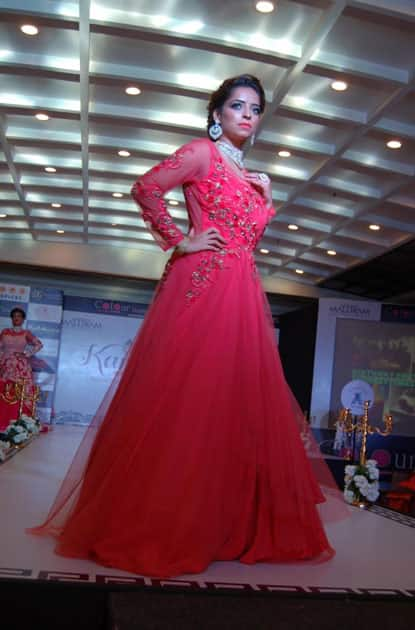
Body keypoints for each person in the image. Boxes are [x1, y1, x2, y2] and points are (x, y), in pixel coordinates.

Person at [29, 75, 345, 577]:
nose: (247, 114)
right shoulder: (202, 153)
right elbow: (146, 187)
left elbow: (249, 239)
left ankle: (219, 523)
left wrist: (265, 198)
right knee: (186, 398)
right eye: (237, 105)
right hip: (205, 282)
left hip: (241, 287)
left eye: (255, 108)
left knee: (229, 403)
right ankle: (161, 521)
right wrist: (180, 240)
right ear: (216, 113)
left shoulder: (250, 175)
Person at [0, 308, 43, 430]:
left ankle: (18, 421)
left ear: (23, 319)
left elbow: (39, 344)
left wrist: (27, 354)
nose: (16, 318)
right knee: (4, 391)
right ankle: (3, 419)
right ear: (11, 318)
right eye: (14, 316)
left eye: (19, 316)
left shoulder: (26, 333)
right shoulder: (5, 332)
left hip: (20, 366)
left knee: (19, 391)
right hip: (6, 365)